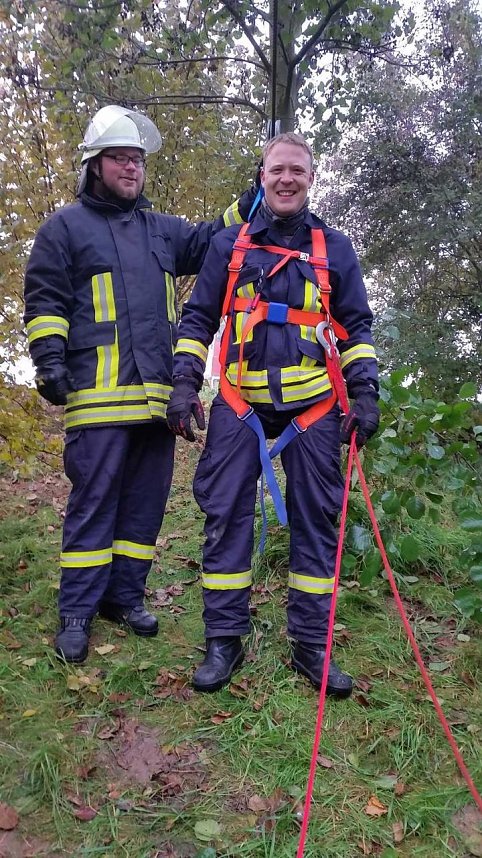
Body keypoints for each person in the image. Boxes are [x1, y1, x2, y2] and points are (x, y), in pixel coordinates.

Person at [24, 104, 254, 664]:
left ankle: (124, 599)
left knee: (144, 509)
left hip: (156, 401)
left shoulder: (160, 230)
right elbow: (46, 298)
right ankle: (76, 613)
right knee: (94, 504)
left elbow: (208, 240)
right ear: (94, 164)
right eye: (120, 159)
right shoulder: (64, 228)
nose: (132, 168)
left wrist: (246, 205)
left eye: (138, 160)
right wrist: (48, 358)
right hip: (96, 398)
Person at [167, 132, 380, 698]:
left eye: (298, 171)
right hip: (240, 404)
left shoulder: (334, 248)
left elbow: (356, 329)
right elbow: (197, 320)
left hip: (315, 407)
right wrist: (185, 385)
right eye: (276, 170)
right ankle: (223, 638)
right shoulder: (228, 247)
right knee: (225, 516)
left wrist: (365, 394)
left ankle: (311, 645)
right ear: (261, 178)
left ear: (311, 179)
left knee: (317, 521)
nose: (287, 179)